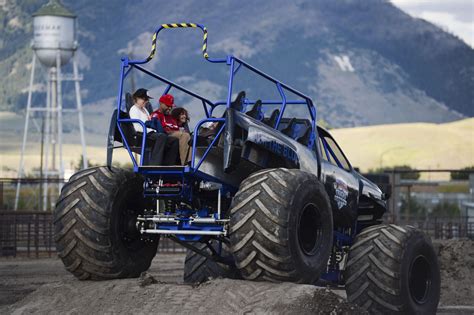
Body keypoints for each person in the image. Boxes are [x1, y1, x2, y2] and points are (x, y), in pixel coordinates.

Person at [129, 88, 179, 165]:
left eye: (147, 99)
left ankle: (169, 164)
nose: (146, 101)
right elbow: (137, 127)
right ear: (137, 98)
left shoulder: (144, 110)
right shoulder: (134, 110)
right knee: (161, 136)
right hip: (142, 134)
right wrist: (151, 130)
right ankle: (155, 164)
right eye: (144, 99)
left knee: (174, 140)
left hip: (149, 132)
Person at [151, 94, 191, 165]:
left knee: (190, 137)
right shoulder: (156, 115)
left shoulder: (171, 117)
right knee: (184, 135)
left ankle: (189, 161)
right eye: (167, 106)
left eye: (171, 106)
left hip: (175, 134)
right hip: (166, 135)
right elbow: (160, 129)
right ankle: (183, 163)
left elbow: (178, 126)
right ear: (161, 104)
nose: (169, 108)